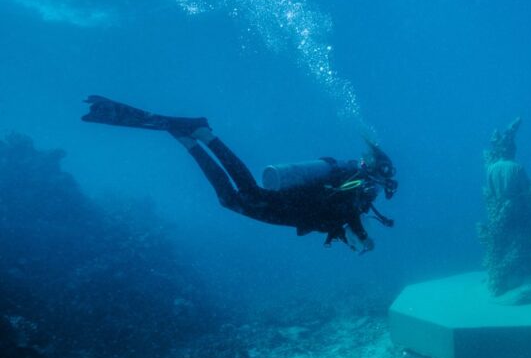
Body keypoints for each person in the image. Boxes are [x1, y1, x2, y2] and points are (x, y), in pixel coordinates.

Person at [81, 95, 396, 253]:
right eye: (387, 181)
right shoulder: (359, 182)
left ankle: (189, 140)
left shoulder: (360, 181)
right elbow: (345, 209)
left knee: (229, 200)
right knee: (247, 192)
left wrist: (350, 233)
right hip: (294, 206)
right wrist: (364, 237)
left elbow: (342, 213)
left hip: (295, 211)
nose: (386, 188)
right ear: (380, 172)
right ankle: (203, 134)